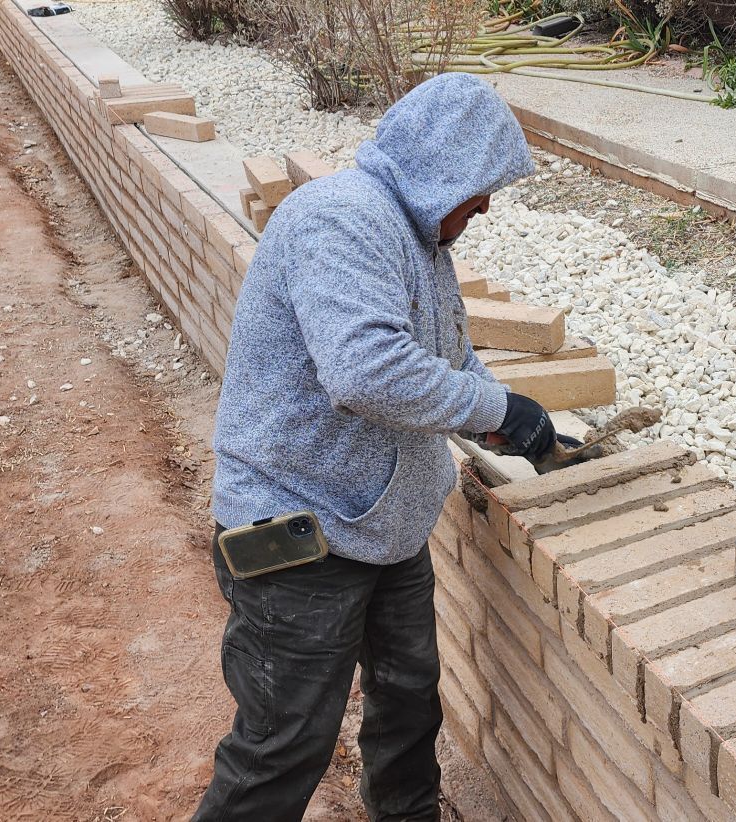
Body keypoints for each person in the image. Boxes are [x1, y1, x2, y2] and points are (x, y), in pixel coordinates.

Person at [197, 73, 562, 821]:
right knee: (283, 745)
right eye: (482, 186)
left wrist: (509, 419)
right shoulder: (342, 220)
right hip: (299, 537)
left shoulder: (419, 233)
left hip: (383, 529)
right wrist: (496, 404)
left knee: (407, 710)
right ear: (441, 170)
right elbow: (366, 372)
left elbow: (447, 356)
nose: (487, 203)